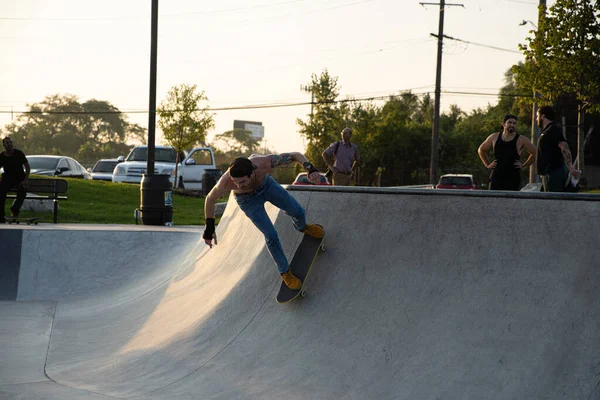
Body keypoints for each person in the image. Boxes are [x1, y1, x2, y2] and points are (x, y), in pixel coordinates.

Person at [203, 153, 324, 290]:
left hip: (267, 186)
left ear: (252, 172)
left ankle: (303, 228)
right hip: (247, 201)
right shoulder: (225, 182)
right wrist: (209, 228)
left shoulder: (263, 163)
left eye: (242, 182)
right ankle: (285, 272)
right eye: (235, 182)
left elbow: (295, 155)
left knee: (299, 212)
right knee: (271, 235)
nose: (238, 185)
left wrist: (310, 168)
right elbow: (210, 199)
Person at [477, 114, 537, 191]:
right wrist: (487, 164)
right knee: (494, 201)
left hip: (513, 178)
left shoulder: (521, 139)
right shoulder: (494, 137)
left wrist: (524, 165)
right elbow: (481, 149)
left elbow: (535, 152)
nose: (512, 125)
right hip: (496, 177)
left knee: (511, 202)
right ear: (503, 124)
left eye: (514, 123)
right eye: (509, 122)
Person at [536, 106, 581, 192]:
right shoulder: (546, 131)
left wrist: (571, 168)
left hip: (554, 172)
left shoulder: (553, 129)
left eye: (537, 116)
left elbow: (564, 148)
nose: (536, 119)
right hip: (548, 173)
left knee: (554, 201)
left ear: (543, 116)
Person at [0, 137, 30, 222]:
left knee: (22, 192)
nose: (9, 144)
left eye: (10, 143)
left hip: (19, 177)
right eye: (7, 143)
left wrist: (25, 180)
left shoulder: (19, 154)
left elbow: (27, 167)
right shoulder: (2, 156)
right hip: (7, 177)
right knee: (1, 194)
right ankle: (1, 216)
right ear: (4, 145)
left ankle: (15, 210)